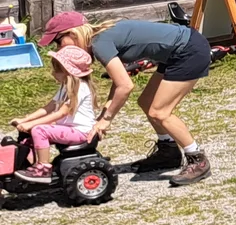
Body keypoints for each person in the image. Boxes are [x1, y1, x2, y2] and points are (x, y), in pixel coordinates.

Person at [37, 10, 216, 186]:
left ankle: (197, 160)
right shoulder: (99, 39)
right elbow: (119, 83)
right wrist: (102, 117)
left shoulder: (100, 44)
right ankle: (168, 152)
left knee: (160, 112)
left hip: (189, 50)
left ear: (73, 33)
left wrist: (106, 119)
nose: (59, 48)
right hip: (177, 52)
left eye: (58, 42)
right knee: (145, 102)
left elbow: (125, 86)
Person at [3, 45, 99, 183]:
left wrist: (33, 124)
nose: (53, 73)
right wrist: (25, 119)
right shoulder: (65, 87)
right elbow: (49, 107)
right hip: (70, 129)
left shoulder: (80, 88)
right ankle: (29, 165)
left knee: (39, 130)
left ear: (67, 72)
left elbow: (61, 113)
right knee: (28, 136)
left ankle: (43, 169)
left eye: (56, 70)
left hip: (80, 132)